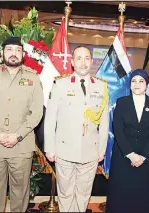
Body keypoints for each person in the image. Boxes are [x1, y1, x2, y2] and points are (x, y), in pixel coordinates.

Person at [0, 37, 43, 212]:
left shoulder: (33, 78)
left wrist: (17, 135)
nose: (14, 54)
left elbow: (36, 113)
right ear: (2, 53)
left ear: (23, 54)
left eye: (18, 50)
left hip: (21, 145)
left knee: (20, 194)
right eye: (10, 49)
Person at [44, 46, 109, 212]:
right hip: (64, 150)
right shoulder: (61, 84)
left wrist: (101, 149)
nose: (83, 63)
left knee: (84, 193)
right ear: (72, 62)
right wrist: (50, 148)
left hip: (90, 151)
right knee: (65, 193)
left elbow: (104, 122)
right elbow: (51, 119)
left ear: (92, 62)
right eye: (79, 58)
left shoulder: (101, 87)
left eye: (87, 58)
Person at [106, 69, 149, 213]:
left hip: (146, 159)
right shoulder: (121, 102)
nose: (137, 84)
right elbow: (117, 130)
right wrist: (130, 154)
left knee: (142, 195)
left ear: (146, 84)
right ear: (130, 84)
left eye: (141, 81)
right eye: (134, 81)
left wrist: (143, 156)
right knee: (120, 196)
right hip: (123, 157)